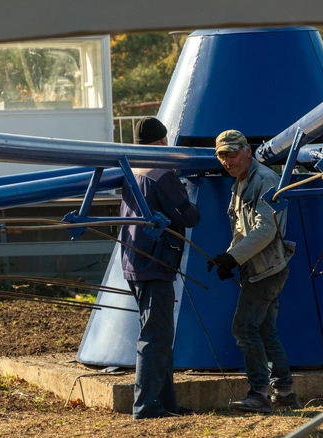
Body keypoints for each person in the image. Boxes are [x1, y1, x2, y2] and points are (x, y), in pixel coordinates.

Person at [208, 129, 301, 413]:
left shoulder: (265, 180)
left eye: (232, 154)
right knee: (264, 330)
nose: (227, 160)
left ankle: (259, 393)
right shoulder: (242, 181)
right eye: (221, 155)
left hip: (267, 270)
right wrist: (230, 258)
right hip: (261, 268)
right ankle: (284, 393)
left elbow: (265, 229)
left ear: (248, 151)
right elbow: (241, 228)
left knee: (245, 328)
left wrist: (233, 258)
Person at [121, 116, 201, 419]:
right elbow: (188, 216)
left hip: (134, 259)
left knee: (158, 334)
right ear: (163, 140)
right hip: (156, 260)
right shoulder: (161, 173)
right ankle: (146, 405)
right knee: (156, 336)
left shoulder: (132, 168)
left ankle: (166, 402)